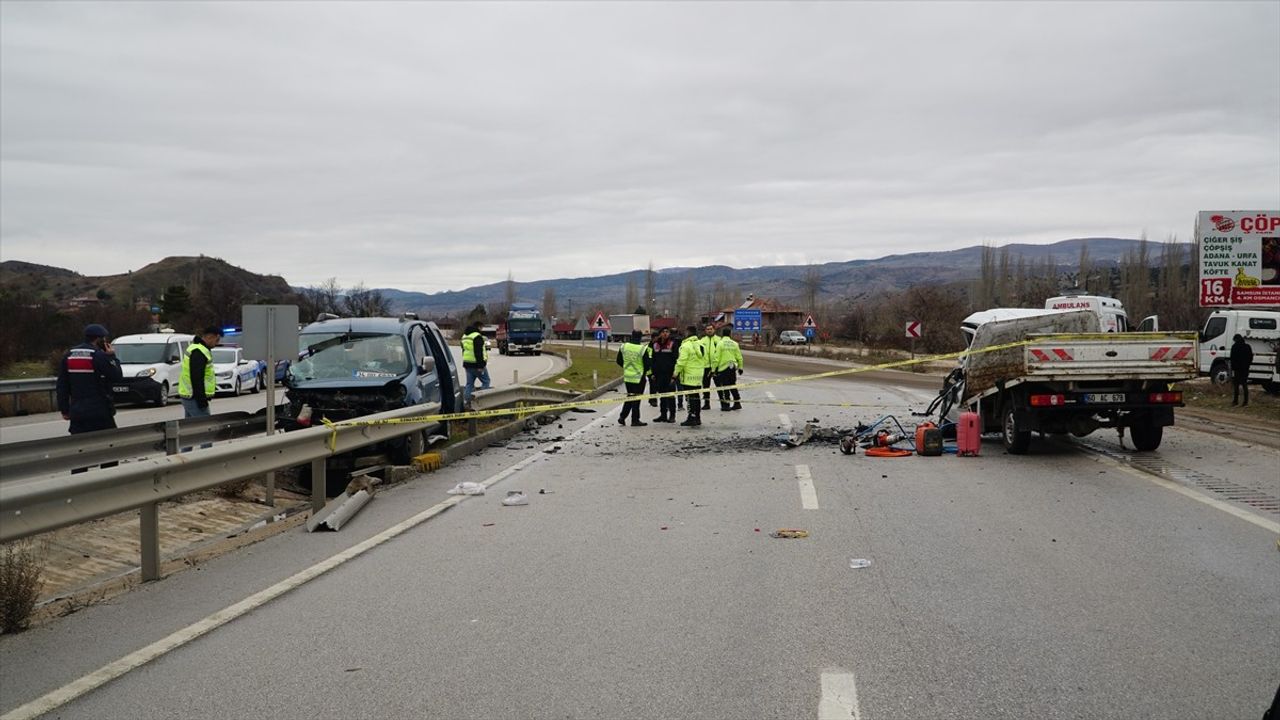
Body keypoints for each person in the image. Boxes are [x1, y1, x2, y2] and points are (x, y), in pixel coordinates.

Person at [56, 323, 123, 434]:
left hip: (77, 411)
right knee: (109, 440)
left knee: (80, 442)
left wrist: (64, 409)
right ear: (99, 339)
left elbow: (62, 385)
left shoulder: (69, 355)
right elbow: (116, 376)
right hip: (99, 411)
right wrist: (112, 357)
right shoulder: (98, 356)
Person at [180, 326, 222, 418]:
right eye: (217, 340)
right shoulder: (199, 352)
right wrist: (201, 401)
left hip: (190, 395)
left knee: (191, 425)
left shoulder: (196, 348)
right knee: (205, 424)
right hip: (194, 397)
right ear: (210, 337)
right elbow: (197, 378)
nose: (217, 343)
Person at [674, 324, 708, 426]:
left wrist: (675, 373)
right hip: (698, 375)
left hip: (688, 376)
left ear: (688, 332)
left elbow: (681, 362)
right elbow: (705, 360)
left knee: (689, 398)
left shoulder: (685, 346)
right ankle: (697, 417)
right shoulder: (702, 345)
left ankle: (691, 417)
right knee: (696, 397)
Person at [616, 330, 651, 426]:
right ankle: (635, 420)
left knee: (630, 397)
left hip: (628, 377)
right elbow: (647, 364)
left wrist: (626, 368)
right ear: (640, 337)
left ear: (631, 336)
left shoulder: (624, 346)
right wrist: (644, 371)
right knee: (636, 399)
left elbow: (618, 360)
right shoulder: (642, 349)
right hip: (639, 377)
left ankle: (622, 417)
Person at [648, 327, 679, 422]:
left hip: (669, 374)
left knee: (670, 395)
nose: (665, 333)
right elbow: (653, 360)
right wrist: (653, 373)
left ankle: (672, 415)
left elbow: (676, 359)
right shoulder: (655, 345)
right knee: (662, 395)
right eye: (663, 332)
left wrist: (675, 374)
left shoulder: (672, 344)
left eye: (667, 332)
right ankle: (663, 415)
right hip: (659, 374)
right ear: (660, 334)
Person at [714, 326, 744, 410]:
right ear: (730, 334)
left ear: (722, 334)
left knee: (725, 386)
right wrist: (740, 368)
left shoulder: (720, 343)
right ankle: (737, 403)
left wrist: (714, 369)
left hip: (723, 368)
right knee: (732, 385)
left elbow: (716, 358)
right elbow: (739, 357)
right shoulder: (735, 344)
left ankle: (726, 405)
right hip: (732, 367)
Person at [461, 324, 491, 405]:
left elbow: (463, 350)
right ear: (478, 328)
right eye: (481, 328)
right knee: (486, 381)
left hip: (467, 364)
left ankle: (467, 402)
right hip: (476, 364)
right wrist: (480, 366)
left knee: (469, 384)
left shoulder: (464, 336)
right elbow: (478, 352)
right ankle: (482, 400)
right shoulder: (477, 336)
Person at [699, 323, 720, 410]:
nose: (709, 330)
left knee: (719, 386)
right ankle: (706, 404)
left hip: (717, 367)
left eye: (711, 329)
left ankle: (724, 403)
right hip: (706, 367)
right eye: (708, 329)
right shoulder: (702, 341)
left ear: (714, 330)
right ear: (705, 331)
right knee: (705, 386)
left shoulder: (719, 340)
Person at [1229, 333, 1253, 406]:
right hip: (1245, 369)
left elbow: (1232, 358)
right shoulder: (1247, 346)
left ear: (1235, 340)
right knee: (1244, 385)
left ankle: (1235, 401)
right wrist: (1247, 365)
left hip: (1237, 369)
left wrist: (1233, 368)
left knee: (1236, 385)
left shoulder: (1234, 347)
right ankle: (1245, 401)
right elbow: (1251, 357)